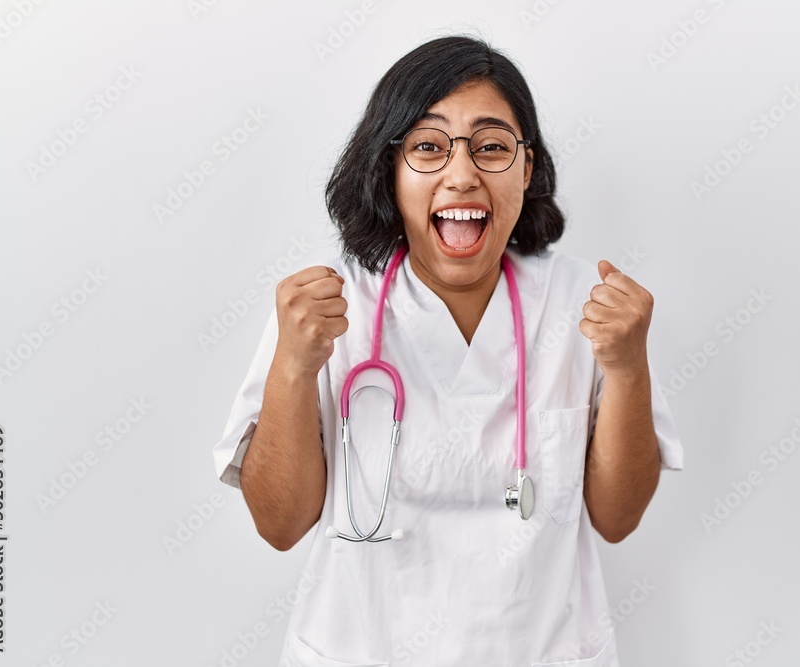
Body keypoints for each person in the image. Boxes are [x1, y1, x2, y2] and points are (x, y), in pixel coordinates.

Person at [212, 34, 684, 666]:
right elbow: (280, 525)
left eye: (491, 147)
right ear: (388, 169)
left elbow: (618, 518)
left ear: (526, 168)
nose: (461, 175)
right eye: (428, 147)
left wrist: (627, 368)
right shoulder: (323, 309)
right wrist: (294, 367)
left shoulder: (587, 307)